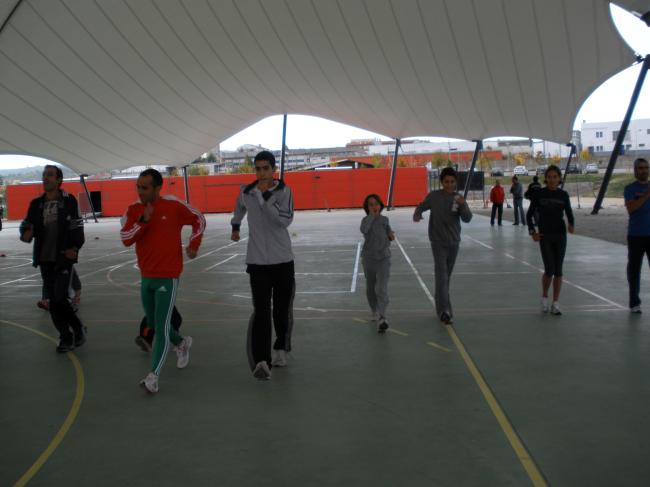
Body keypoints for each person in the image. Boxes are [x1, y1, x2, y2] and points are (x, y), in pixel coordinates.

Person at [120, 168, 205, 394]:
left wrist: (194, 244)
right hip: (146, 276)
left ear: (158, 188)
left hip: (168, 276)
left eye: (145, 187)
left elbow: (199, 219)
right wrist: (143, 221)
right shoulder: (134, 210)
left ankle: (153, 376)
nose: (140, 191)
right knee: (153, 323)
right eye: (138, 187)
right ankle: (181, 343)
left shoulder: (173, 206)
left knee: (161, 328)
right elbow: (125, 238)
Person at [231, 150, 295, 380]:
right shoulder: (247, 192)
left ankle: (281, 347)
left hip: (283, 260)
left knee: (281, 310)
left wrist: (266, 198)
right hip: (257, 261)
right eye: (257, 168)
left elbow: (284, 220)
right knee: (261, 311)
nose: (261, 173)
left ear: (273, 169)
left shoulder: (284, 191)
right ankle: (262, 361)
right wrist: (235, 226)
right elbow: (239, 208)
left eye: (265, 168)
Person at [19, 165, 86, 352]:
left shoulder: (69, 201)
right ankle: (72, 332)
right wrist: (26, 233)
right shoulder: (36, 204)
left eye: (49, 175)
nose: (45, 178)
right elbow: (26, 225)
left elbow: (77, 226)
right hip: (44, 259)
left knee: (58, 299)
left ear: (59, 180)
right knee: (54, 301)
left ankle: (69, 335)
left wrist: (74, 247)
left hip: (63, 257)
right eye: (44, 175)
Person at [413, 167, 472, 324]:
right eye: (446, 182)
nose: (449, 184)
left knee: (446, 278)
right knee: (442, 277)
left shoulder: (459, 198)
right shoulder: (434, 196)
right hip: (438, 242)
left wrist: (463, 205)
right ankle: (445, 311)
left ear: (456, 182)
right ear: (441, 182)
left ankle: (442, 309)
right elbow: (422, 206)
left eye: (452, 182)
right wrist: (417, 213)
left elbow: (467, 218)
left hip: (454, 242)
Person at [526, 165, 574, 315]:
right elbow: (529, 214)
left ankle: (556, 303)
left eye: (555, 177)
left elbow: (569, 212)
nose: (552, 180)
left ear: (559, 179)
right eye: (549, 177)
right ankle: (545, 297)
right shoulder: (539, 194)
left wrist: (571, 224)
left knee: (558, 270)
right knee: (549, 269)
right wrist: (532, 232)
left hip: (560, 236)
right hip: (545, 236)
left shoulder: (563, 195)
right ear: (546, 179)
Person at [360, 194, 395, 333]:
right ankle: (374, 310)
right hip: (369, 258)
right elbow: (364, 230)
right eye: (371, 204)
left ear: (380, 205)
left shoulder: (385, 219)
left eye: (376, 204)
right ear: (367, 207)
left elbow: (389, 233)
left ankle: (382, 316)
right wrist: (371, 217)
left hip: (384, 258)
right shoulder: (365, 220)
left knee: (381, 288)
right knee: (371, 288)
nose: (374, 207)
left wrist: (390, 235)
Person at [624, 158, 650, 313]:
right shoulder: (630, 189)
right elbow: (632, 208)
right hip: (636, 235)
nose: (644, 170)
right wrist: (647, 194)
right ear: (635, 170)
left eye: (646, 167)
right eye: (641, 168)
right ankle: (634, 302)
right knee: (634, 270)